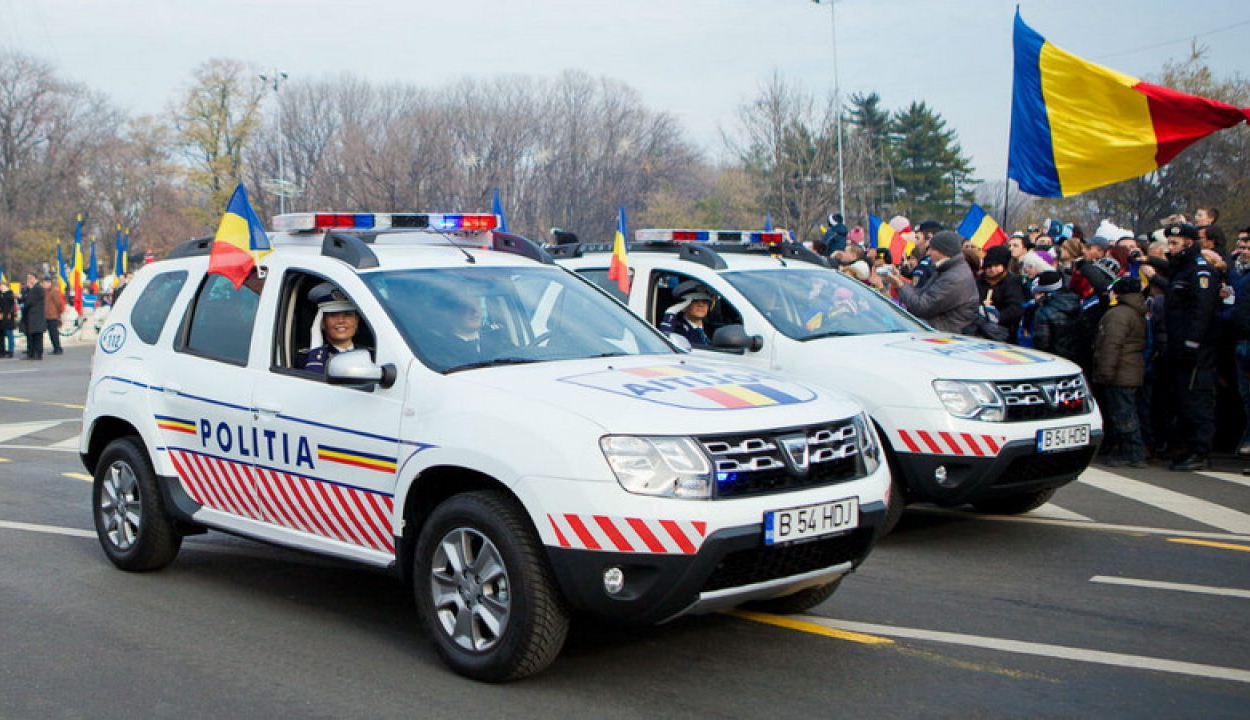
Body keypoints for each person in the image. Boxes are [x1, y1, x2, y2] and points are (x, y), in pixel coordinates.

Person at [1163, 222, 1220, 471]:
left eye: (1175, 243)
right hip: (1178, 344)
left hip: (1197, 347)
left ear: (1188, 243)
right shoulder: (1181, 268)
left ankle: (1200, 450)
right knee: (1183, 398)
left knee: (1197, 397)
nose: (1170, 248)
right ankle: (1187, 446)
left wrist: (1192, 342)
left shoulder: (1199, 270)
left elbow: (1202, 310)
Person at [1094, 276, 1149, 467]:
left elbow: (1111, 345)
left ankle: (1133, 453)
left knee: (1123, 415)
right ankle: (1132, 451)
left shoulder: (1118, 315)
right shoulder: (1136, 311)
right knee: (1127, 412)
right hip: (1130, 369)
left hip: (1120, 372)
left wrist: (1105, 372)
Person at [881, 230, 979, 334]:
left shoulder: (954, 278)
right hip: (937, 330)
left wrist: (899, 285)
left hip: (945, 335)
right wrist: (899, 279)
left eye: (932, 249)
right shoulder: (947, 269)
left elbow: (921, 307)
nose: (928, 253)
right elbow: (919, 295)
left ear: (943, 251)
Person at [299, 283, 363, 374]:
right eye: (333, 314)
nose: (341, 320)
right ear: (322, 322)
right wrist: (317, 350)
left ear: (356, 320)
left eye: (348, 314)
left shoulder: (371, 355)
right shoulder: (307, 359)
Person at [978, 245, 1026, 340]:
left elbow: (1015, 308)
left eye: (996, 266)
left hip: (1004, 332)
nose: (992, 269)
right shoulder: (979, 282)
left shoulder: (1012, 282)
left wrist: (997, 317)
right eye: (989, 266)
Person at [1029, 271, 1080, 361]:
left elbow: (1042, 343)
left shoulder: (1043, 311)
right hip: (1076, 359)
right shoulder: (1077, 303)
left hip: (1053, 360)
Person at [659, 280, 719, 346]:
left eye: (705, 301)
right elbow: (664, 344)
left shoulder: (714, 330)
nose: (701, 305)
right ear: (683, 306)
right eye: (695, 301)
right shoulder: (676, 329)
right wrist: (671, 313)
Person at [20, 271, 45, 360]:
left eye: (30, 278)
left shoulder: (38, 288)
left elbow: (30, 301)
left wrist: (29, 290)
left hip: (36, 316)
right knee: (30, 336)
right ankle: (30, 352)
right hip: (29, 317)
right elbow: (23, 299)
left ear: (35, 279)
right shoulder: (27, 289)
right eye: (28, 278)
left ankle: (38, 353)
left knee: (37, 336)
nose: (29, 280)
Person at [42, 277, 66, 355]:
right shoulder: (46, 292)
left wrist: (58, 313)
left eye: (45, 283)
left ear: (49, 283)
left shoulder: (54, 291)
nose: (43, 285)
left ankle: (58, 348)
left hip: (53, 315)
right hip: (47, 315)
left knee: (54, 333)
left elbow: (58, 303)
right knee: (51, 333)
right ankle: (55, 347)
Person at [0, 281, 16, 358]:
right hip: (1, 318)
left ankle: (10, 350)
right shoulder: (1, 295)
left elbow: (12, 306)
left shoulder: (10, 294)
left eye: (2, 286)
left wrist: (9, 313)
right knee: (1, 335)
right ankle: (2, 351)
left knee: (9, 334)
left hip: (8, 318)